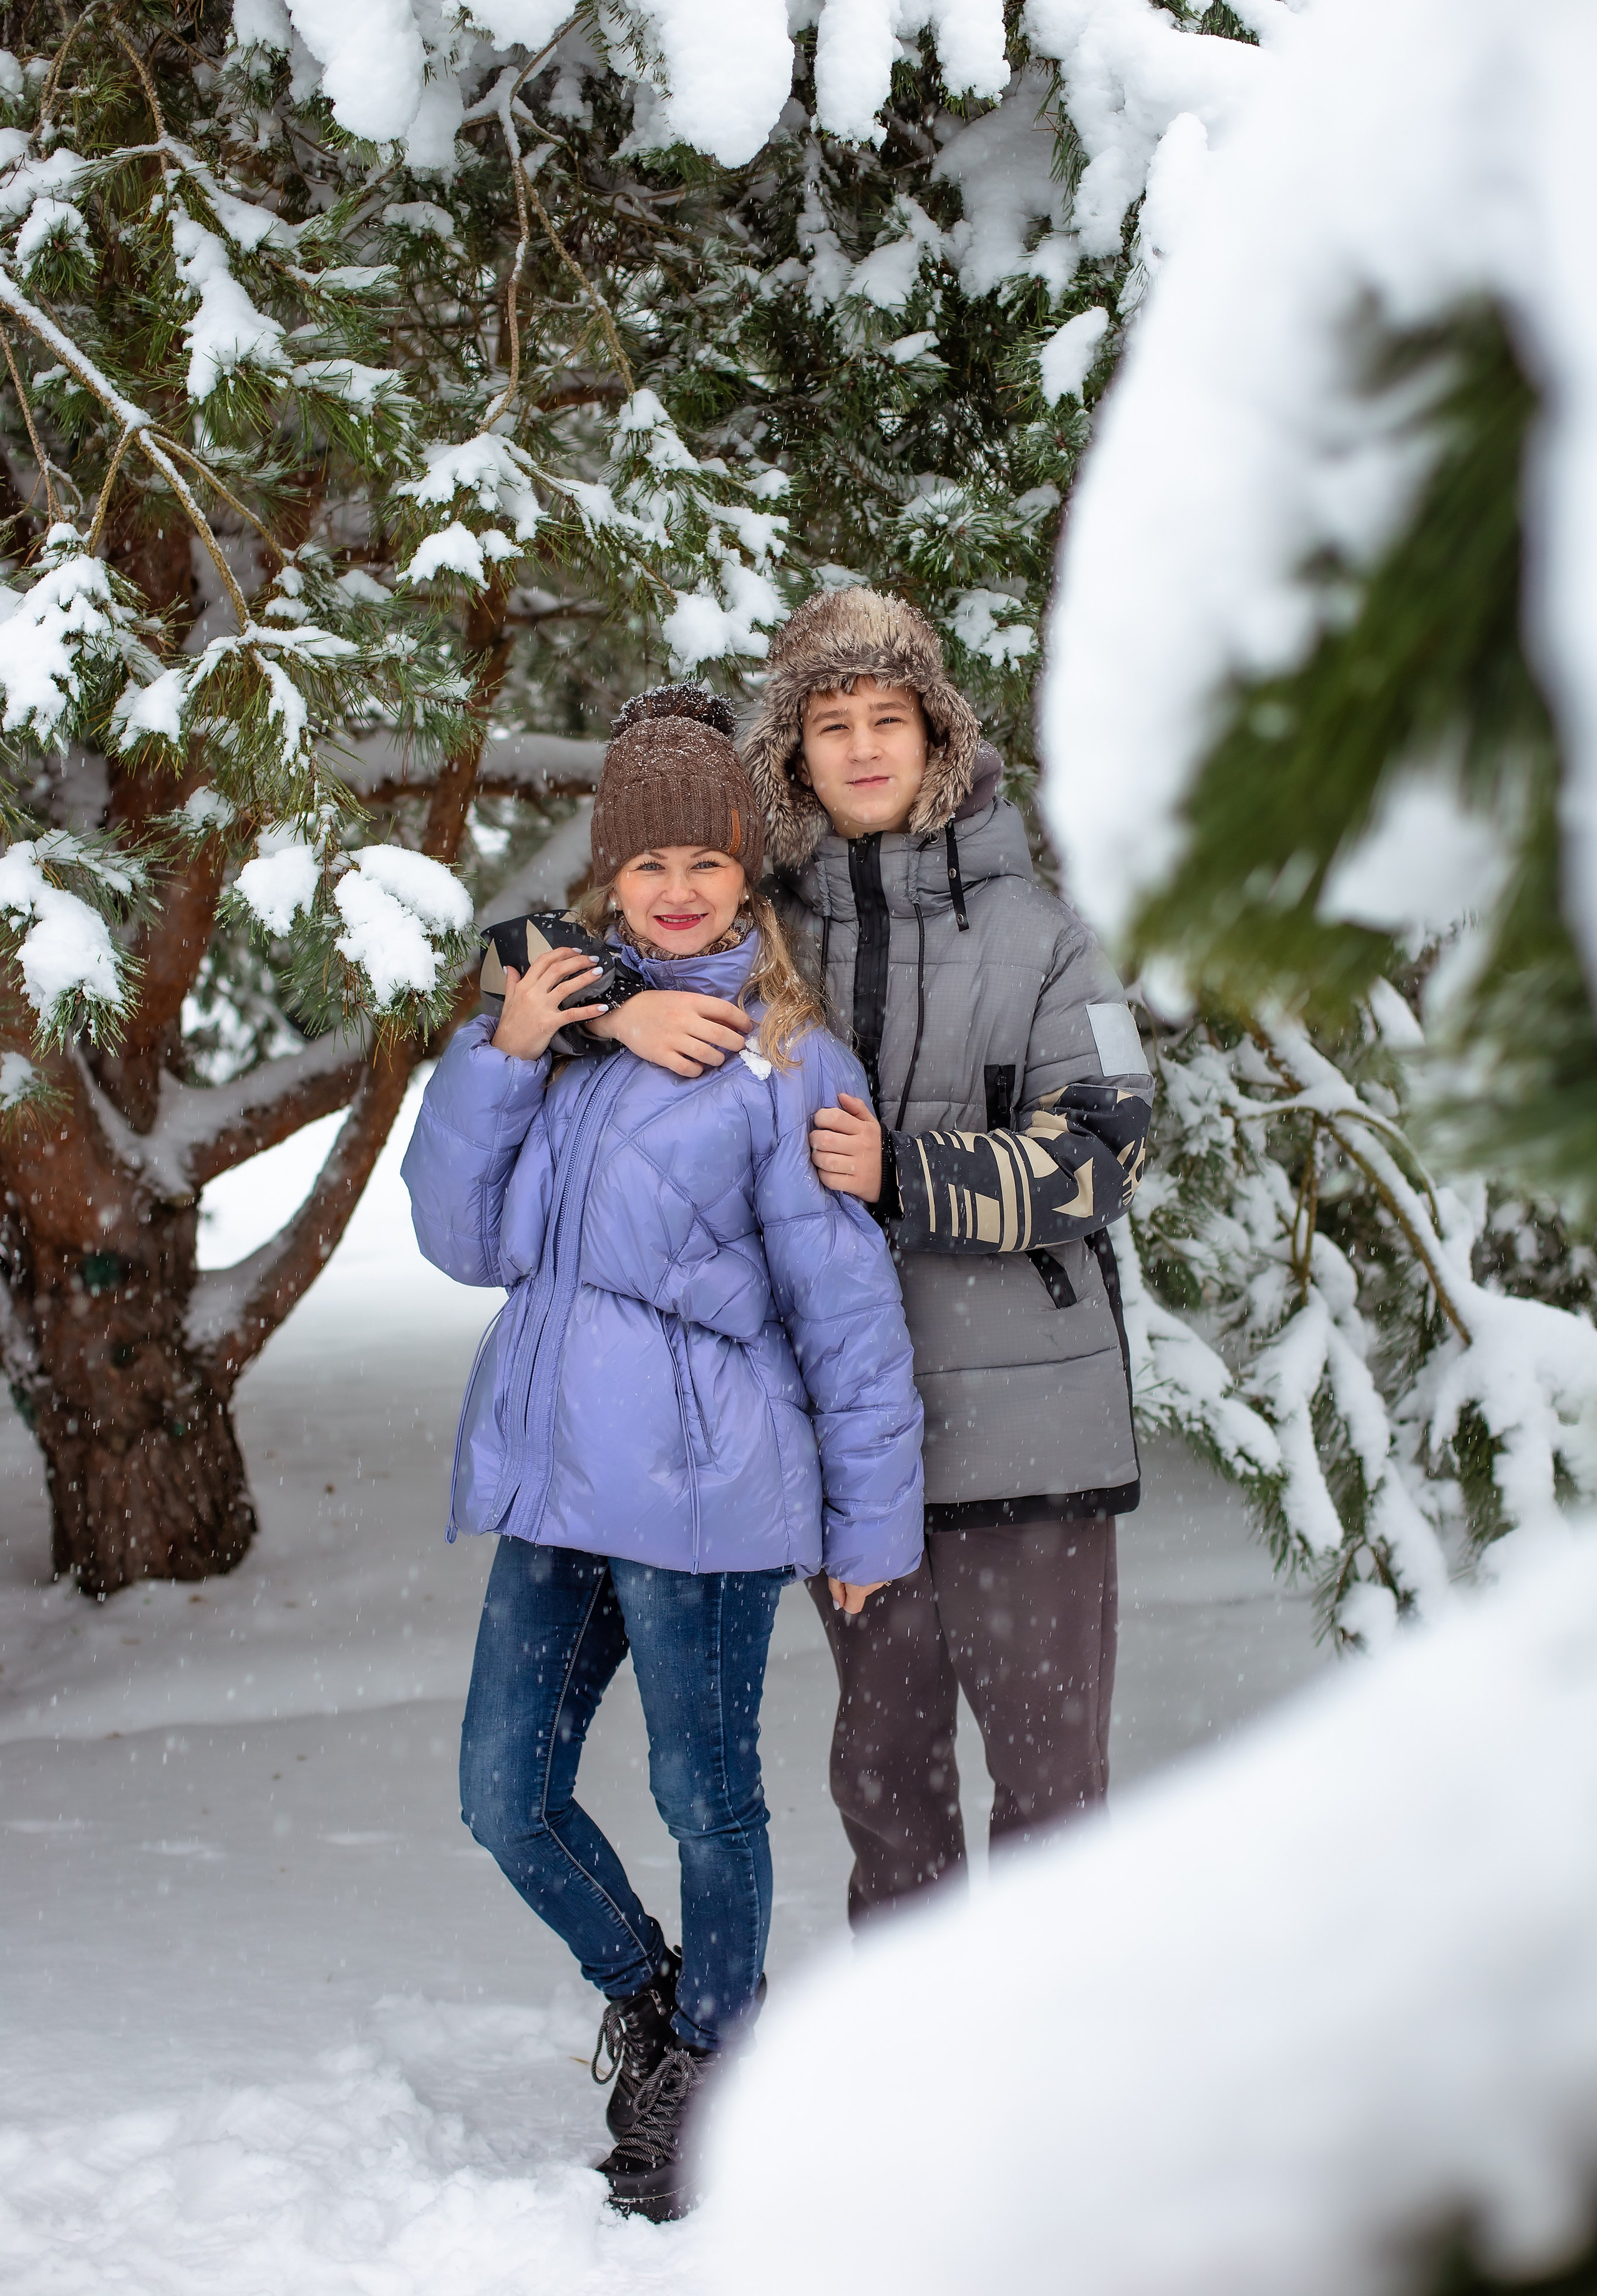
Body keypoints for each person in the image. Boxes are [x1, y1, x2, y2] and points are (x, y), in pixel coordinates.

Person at [401, 684, 923, 2220]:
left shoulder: (786, 1062)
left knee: (711, 1803)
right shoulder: (558, 1024)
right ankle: (650, 1998)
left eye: (706, 858)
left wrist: (870, 1518)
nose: (679, 888)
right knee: (505, 1794)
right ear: (610, 878)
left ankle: (715, 2056)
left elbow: (846, 1313)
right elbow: (463, 1239)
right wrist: (506, 1049)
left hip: (707, 1494)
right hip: (555, 1481)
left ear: (743, 875)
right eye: (648, 865)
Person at [735, 584, 1155, 1924]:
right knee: (886, 1788)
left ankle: (1053, 2099)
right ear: (792, 753)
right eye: (829, 721)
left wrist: (909, 1176)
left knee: (1049, 1799)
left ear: (939, 738)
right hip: (854, 1442)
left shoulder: (1041, 939)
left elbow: (1105, 1144)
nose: (862, 747)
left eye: (888, 717)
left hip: (1031, 1435)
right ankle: (913, 2100)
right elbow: (588, 971)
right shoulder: (757, 938)